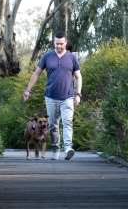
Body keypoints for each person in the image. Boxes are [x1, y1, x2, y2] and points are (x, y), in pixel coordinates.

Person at [23, 31, 82, 160]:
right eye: (56, 44)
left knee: (67, 123)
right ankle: (56, 149)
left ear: (66, 42)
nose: (59, 46)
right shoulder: (47, 56)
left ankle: (68, 148)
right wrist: (28, 90)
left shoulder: (72, 58)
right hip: (50, 97)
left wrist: (78, 94)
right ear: (54, 42)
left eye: (61, 44)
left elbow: (78, 76)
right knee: (53, 125)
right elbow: (36, 74)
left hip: (67, 97)